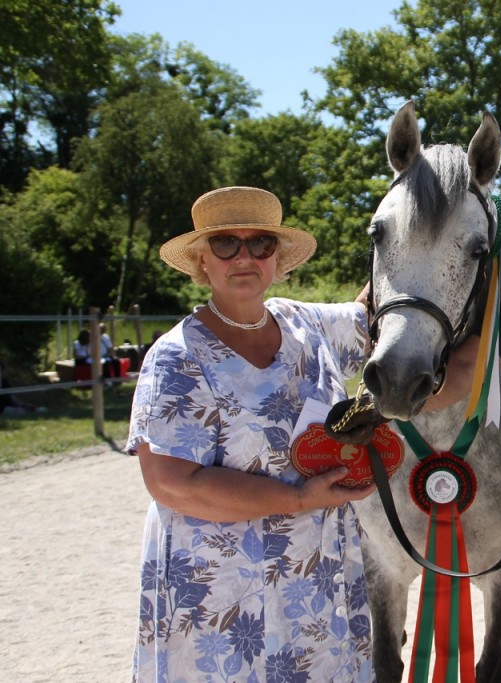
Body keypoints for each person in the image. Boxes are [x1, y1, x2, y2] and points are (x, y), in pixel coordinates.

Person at [126, 186, 376, 682]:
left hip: (315, 581)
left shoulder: (307, 324)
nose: (244, 256)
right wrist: (300, 499)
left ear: (277, 257)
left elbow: (378, 314)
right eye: (225, 244)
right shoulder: (178, 356)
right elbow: (172, 483)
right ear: (201, 260)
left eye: (260, 243)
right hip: (221, 596)